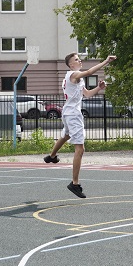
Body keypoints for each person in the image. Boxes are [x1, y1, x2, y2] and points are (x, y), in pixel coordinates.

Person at [45, 52, 116, 198]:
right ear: (71, 65)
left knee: (66, 136)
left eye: (79, 59)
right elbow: (89, 72)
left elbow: (87, 94)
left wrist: (99, 88)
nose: (80, 61)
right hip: (73, 115)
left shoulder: (77, 78)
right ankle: (75, 184)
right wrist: (106, 61)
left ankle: (51, 156)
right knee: (80, 149)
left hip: (68, 112)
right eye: (77, 60)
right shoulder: (73, 75)